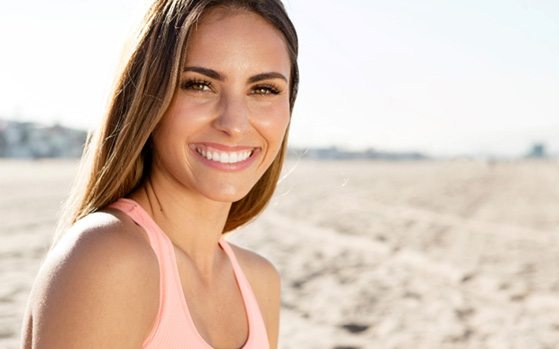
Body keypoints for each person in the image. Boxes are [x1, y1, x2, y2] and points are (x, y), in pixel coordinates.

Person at [20, 0, 298, 347]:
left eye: (264, 89)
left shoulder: (259, 282)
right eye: (199, 84)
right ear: (149, 97)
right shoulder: (108, 260)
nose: (235, 124)